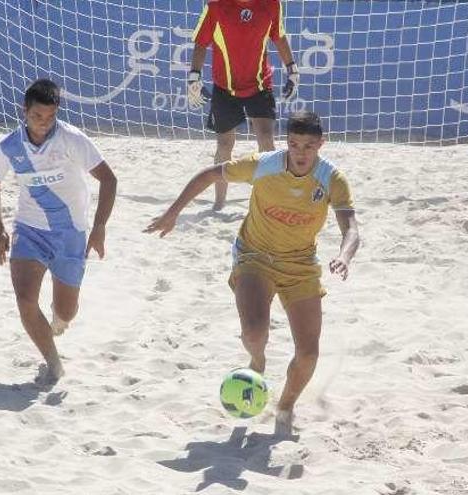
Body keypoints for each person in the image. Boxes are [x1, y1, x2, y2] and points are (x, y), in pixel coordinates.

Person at [145, 111, 360, 435]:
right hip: (254, 255)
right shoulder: (264, 164)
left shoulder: (332, 178)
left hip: (300, 265)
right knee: (254, 334)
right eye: (294, 144)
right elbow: (208, 175)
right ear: (286, 143)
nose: (300, 153)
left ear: (321, 145)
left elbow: (352, 228)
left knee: (308, 353)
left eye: (308, 146)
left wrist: (344, 256)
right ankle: (257, 361)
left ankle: (285, 405)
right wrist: (172, 213)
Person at [0, 78, 117, 384]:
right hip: (30, 230)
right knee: (25, 299)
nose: (43, 124)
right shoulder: (9, 147)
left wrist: (98, 228)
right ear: (24, 111)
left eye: (50, 117)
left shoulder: (72, 140)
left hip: (71, 233)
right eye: (36, 117)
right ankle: (53, 362)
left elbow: (109, 180)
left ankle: (59, 320)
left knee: (67, 311)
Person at [187, 0, 299, 211]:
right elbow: (201, 42)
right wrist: (194, 75)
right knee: (224, 145)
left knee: (266, 140)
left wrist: (292, 70)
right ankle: (219, 203)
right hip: (225, 87)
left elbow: (279, 36)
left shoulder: (272, 4)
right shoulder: (216, 6)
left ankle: (268, 199)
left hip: (259, 84)